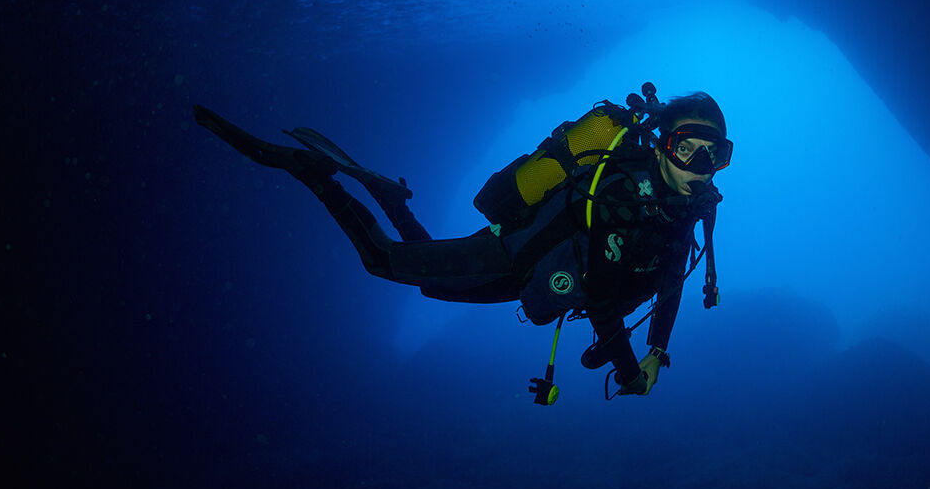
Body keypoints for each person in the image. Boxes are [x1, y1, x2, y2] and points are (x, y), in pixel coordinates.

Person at [193, 89, 731, 399]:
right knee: (381, 262)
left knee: (430, 285)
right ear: (663, 145)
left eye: (715, 155)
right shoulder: (622, 197)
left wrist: (657, 350)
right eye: (689, 150)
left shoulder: (685, 206)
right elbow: (604, 298)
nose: (700, 169)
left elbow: (671, 285)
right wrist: (632, 374)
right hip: (510, 257)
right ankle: (313, 174)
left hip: (532, 272)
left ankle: (389, 196)